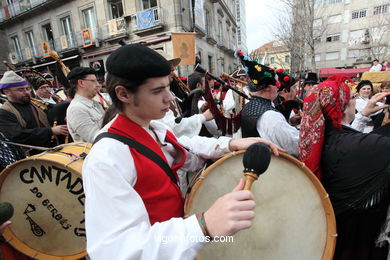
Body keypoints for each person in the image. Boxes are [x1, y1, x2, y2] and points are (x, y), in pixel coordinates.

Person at [82, 43, 282, 259]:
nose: (169, 97)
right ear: (123, 94)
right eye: (158, 91)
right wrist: (204, 225)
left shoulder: (152, 127)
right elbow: (116, 250)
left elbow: (185, 147)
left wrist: (230, 145)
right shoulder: (106, 158)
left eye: (167, 87)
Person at [299, 75, 390, 260]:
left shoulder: (317, 138)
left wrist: (362, 115)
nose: (354, 101)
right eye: (351, 99)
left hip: (332, 232)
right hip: (356, 237)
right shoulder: (347, 144)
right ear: (342, 107)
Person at [235, 50, 299, 157]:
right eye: (277, 83)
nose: (279, 88)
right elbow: (295, 145)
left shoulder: (249, 107)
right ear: (269, 89)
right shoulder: (270, 116)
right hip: (271, 166)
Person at [0, 71, 68, 152]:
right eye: (20, 90)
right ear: (6, 92)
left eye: (27, 88)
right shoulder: (4, 112)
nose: (26, 92)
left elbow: (52, 118)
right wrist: (51, 131)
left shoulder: (35, 104)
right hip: (32, 158)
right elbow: (18, 135)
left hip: (54, 149)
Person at [66, 67, 105, 143]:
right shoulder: (76, 109)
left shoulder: (95, 103)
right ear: (81, 83)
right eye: (93, 81)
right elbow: (97, 138)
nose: (98, 85)